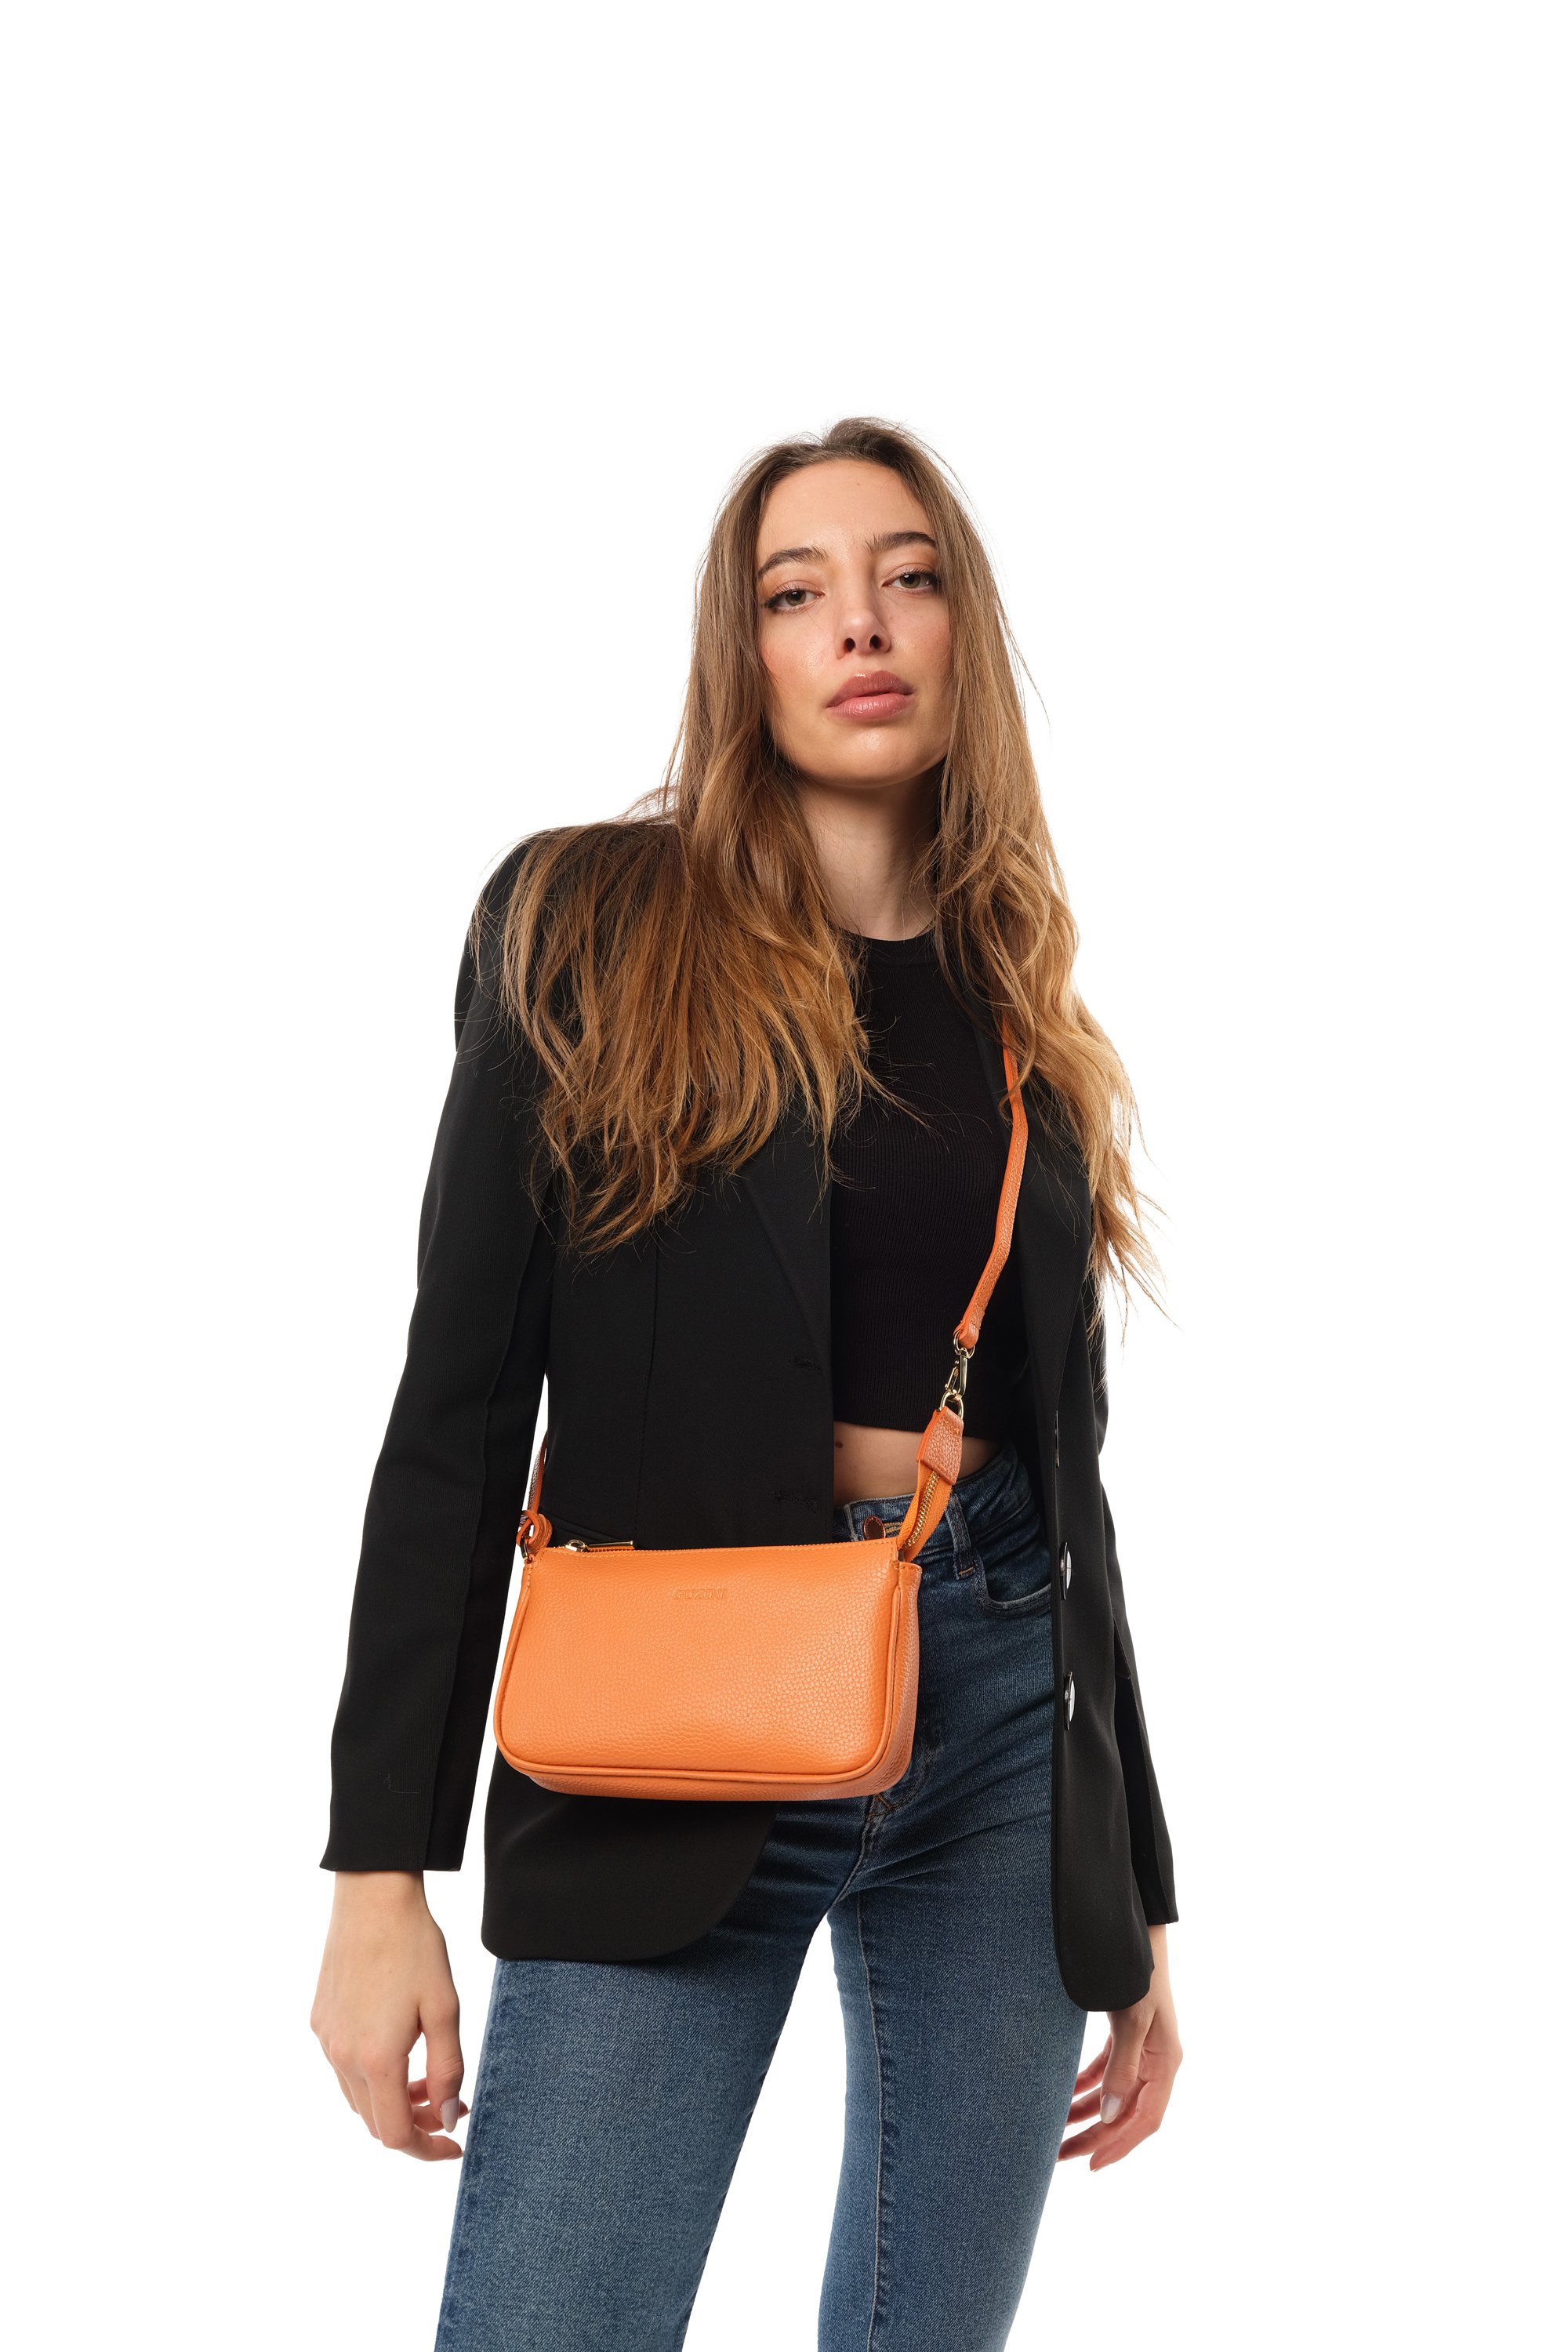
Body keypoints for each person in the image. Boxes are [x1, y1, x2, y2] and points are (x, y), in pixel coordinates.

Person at [311, 416, 1181, 2352]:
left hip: (998, 1726)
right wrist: (380, 1876)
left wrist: (1123, 1893)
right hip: (674, 1721)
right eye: (799, 593)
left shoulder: (1021, 1007)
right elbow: (457, 1410)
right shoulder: (588, 925)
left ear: (961, 634)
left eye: (908, 578)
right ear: (746, 652)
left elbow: (1071, 1463)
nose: (858, 624)